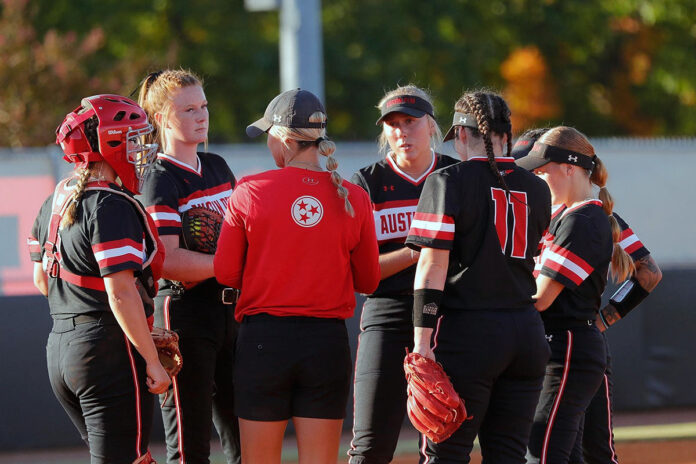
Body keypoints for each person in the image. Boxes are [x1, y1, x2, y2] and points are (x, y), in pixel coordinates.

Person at [214, 88, 380, 464]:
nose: (268, 143)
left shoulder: (250, 190)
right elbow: (368, 281)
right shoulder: (354, 196)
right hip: (326, 343)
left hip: (264, 341)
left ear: (286, 140)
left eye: (269, 135)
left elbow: (225, 272)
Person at [404, 89, 552, 463]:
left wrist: (421, 344)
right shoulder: (537, 187)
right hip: (526, 334)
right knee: (508, 456)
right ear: (507, 133)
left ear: (462, 134)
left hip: (472, 333)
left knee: (445, 454)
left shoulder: (447, 180)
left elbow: (431, 266)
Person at [27, 94, 170, 463]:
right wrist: (151, 359)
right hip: (107, 349)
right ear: (109, 142)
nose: (141, 148)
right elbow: (120, 293)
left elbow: (42, 280)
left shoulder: (53, 202)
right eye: (133, 138)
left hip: (61, 350)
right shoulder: (110, 204)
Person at [513, 128, 663, 464]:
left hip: (572, 343)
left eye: (538, 169)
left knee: (576, 450)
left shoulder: (589, 217)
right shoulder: (557, 215)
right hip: (562, 341)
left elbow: (649, 272)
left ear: (569, 167)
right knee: (578, 452)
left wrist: (605, 318)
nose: (532, 178)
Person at [348, 84, 458, 464]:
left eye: (410, 121)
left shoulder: (455, 175)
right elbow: (361, 274)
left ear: (431, 126)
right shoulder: (366, 183)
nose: (401, 132)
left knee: (445, 439)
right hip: (387, 312)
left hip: (450, 314)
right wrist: (420, 250)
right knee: (370, 444)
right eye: (392, 124)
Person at [137, 69, 241, 464]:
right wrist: (232, 264)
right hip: (185, 313)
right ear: (162, 117)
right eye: (188, 109)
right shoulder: (158, 178)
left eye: (204, 106)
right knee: (190, 442)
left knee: (242, 435)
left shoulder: (216, 166)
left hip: (231, 309)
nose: (201, 116)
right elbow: (169, 261)